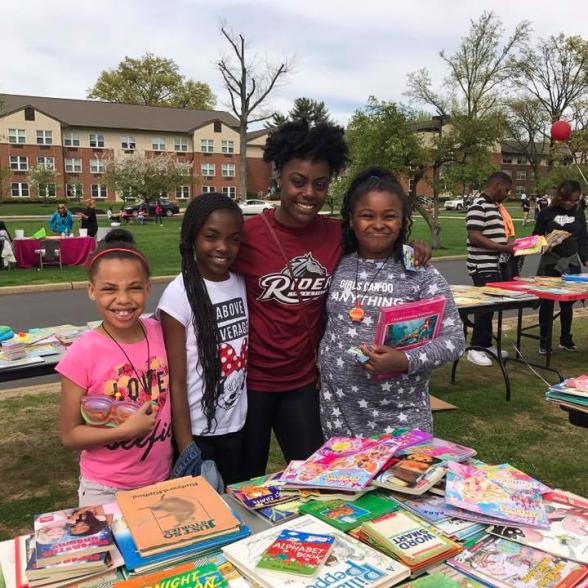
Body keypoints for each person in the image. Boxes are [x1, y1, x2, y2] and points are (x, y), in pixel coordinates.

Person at [232, 121, 432, 479]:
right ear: (279, 176)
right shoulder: (247, 236)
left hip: (303, 384)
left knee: (320, 477)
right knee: (245, 478)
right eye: (298, 181)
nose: (309, 193)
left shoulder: (335, 235)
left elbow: (376, 238)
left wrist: (413, 248)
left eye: (320, 184)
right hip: (252, 384)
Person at [319, 168, 464, 436]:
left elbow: (454, 341)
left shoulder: (419, 271)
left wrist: (405, 360)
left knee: (399, 480)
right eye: (366, 215)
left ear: (402, 220)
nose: (378, 224)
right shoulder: (335, 262)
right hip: (339, 419)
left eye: (389, 216)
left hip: (401, 420)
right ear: (351, 220)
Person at [57, 229, 172, 506]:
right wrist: (124, 431)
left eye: (134, 287)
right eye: (109, 289)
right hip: (106, 489)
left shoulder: (160, 332)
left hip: (163, 479)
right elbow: (70, 435)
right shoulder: (82, 353)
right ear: (91, 290)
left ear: (148, 288)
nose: (123, 299)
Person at [157, 194, 248, 485]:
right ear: (193, 237)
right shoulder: (178, 294)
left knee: (238, 507)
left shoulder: (240, 283)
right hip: (196, 431)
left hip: (236, 425)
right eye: (211, 236)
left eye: (233, 239)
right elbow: (177, 379)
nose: (223, 247)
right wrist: (186, 446)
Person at [465, 172, 515, 366]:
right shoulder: (479, 206)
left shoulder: (494, 207)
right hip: (482, 265)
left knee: (491, 306)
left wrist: (512, 246)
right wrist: (504, 248)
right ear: (497, 185)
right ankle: (475, 348)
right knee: (484, 307)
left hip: (496, 264)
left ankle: (486, 344)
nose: (508, 194)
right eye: (507, 189)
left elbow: (493, 236)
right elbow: (475, 237)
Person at [533, 180, 588, 353]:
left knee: (568, 304)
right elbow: (535, 237)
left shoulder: (579, 213)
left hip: (571, 263)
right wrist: (546, 243)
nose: (569, 203)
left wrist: (585, 258)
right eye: (566, 199)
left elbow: (583, 239)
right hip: (551, 263)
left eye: (573, 200)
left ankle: (565, 339)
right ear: (559, 196)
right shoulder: (546, 213)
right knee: (547, 303)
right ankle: (545, 341)